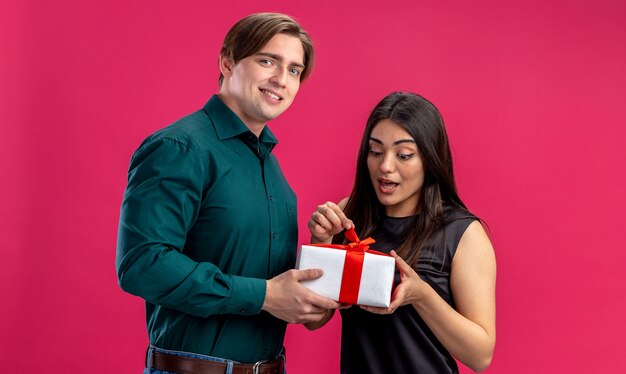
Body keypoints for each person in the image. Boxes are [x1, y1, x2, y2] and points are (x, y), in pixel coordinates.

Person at [116, 13, 340, 374]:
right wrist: (263, 296)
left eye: (295, 70)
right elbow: (142, 265)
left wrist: (323, 245)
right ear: (227, 61)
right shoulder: (179, 147)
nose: (281, 80)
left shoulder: (273, 171)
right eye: (268, 61)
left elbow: (291, 300)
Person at [306, 92, 496, 373]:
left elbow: (480, 356)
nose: (385, 166)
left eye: (404, 155)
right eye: (376, 151)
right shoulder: (350, 215)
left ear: (430, 159)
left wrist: (421, 295)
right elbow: (313, 320)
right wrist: (321, 242)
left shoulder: (463, 233)